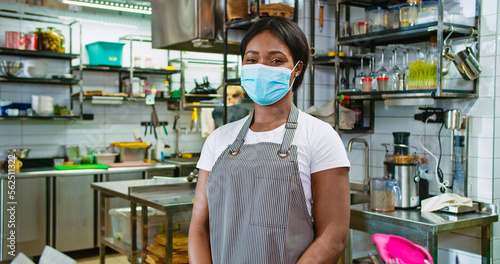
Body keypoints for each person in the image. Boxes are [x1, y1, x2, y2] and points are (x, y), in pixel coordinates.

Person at [189, 16, 351, 264]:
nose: (262, 67)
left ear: (297, 68)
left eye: (276, 60)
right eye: (252, 60)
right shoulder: (218, 139)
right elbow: (199, 228)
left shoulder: (320, 136)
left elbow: (333, 235)